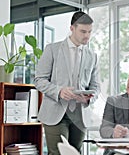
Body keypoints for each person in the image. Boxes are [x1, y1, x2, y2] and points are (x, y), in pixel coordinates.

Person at [34, 11, 100, 155]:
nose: (87, 36)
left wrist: (89, 99)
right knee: (58, 152)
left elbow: (96, 87)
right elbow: (39, 80)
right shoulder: (52, 49)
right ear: (72, 28)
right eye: (83, 31)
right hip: (55, 112)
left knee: (75, 152)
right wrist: (59, 91)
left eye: (89, 32)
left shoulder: (92, 56)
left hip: (80, 115)